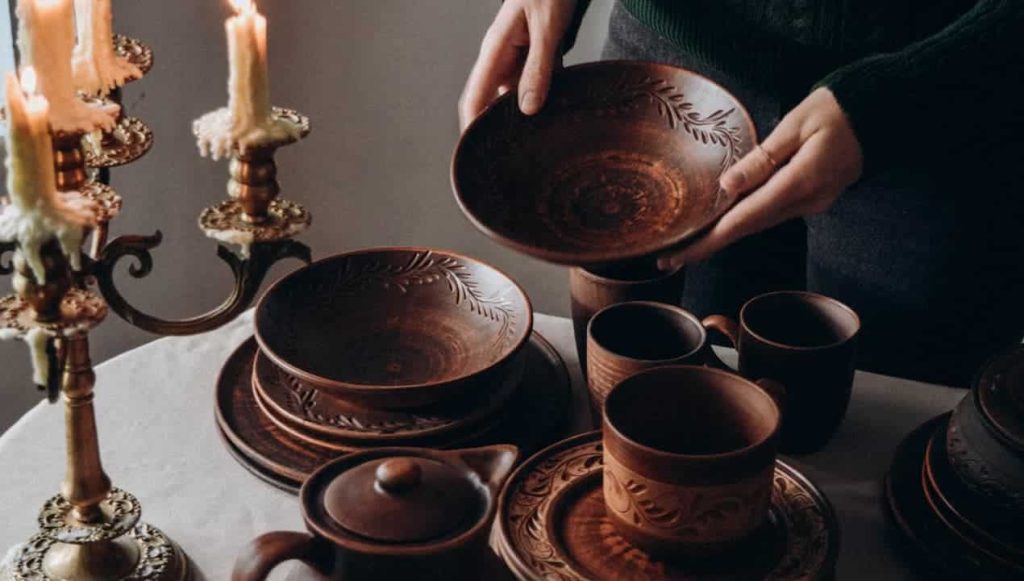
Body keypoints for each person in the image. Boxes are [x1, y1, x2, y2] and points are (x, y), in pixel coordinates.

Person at [458, 0, 1024, 387]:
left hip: (943, 92)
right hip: (677, 74)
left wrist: (911, 94)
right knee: (669, 401)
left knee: (896, 447)